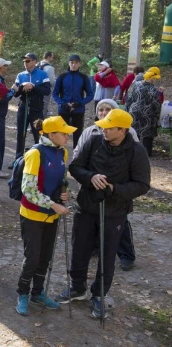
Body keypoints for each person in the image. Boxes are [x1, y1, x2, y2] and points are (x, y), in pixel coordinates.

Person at [55, 109, 150, 319]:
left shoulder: (137, 151)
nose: (103, 130)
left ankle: (99, 294)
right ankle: (77, 287)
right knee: (79, 249)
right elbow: (76, 167)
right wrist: (91, 177)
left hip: (115, 212)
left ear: (122, 130)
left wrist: (115, 189)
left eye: (109, 127)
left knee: (107, 256)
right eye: (103, 126)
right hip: (86, 207)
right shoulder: (94, 141)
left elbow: (142, 185)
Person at [15, 116, 74, 316]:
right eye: (64, 133)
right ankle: (23, 293)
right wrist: (54, 204)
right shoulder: (35, 154)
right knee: (32, 257)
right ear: (51, 134)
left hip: (52, 215)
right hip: (32, 214)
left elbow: (60, 181)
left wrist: (64, 194)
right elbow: (28, 190)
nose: (67, 136)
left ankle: (37, 293)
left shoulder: (62, 153)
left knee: (45, 256)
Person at [10, 53, 51, 167]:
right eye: (24, 61)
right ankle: (18, 159)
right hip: (23, 107)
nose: (25, 63)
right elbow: (16, 94)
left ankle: (41, 158)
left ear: (34, 61)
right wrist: (22, 88)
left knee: (38, 133)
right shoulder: (21, 75)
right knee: (20, 134)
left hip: (36, 109)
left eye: (28, 61)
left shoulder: (42, 74)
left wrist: (33, 86)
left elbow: (47, 91)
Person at [52, 54, 94, 147]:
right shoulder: (62, 76)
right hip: (64, 110)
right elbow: (55, 93)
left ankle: (76, 156)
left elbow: (90, 94)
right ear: (69, 63)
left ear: (80, 64)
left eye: (76, 63)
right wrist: (62, 104)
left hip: (78, 110)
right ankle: (59, 154)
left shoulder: (83, 77)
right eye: (72, 62)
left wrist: (79, 103)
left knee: (77, 134)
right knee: (61, 133)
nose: (74, 65)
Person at [125, 67, 163, 157]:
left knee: (135, 133)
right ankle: (146, 154)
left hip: (134, 112)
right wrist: (157, 116)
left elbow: (129, 99)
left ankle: (133, 152)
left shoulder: (135, 84)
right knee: (147, 136)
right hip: (148, 114)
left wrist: (128, 109)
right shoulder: (153, 89)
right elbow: (156, 105)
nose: (155, 81)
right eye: (155, 79)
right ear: (152, 78)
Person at [37, 51, 56, 116]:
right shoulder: (49, 68)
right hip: (45, 89)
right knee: (44, 104)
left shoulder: (37, 65)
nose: (53, 59)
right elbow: (52, 82)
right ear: (48, 57)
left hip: (36, 88)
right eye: (52, 57)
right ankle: (42, 120)